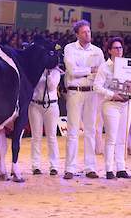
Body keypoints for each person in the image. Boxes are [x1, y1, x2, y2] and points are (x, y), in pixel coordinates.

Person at [63, 20, 104, 179]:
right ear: (77, 34)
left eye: (89, 31)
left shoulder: (98, 51)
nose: (88, 34)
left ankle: (90, 167)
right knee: (72, 130)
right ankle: (70, 168)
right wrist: (90, 70)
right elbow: (72, 71)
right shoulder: (70, 48)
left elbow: (100, 73)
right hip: (75, 92)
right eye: (84, 32)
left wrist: (85, 71)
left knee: (90, 131)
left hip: (92, 93)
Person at [93, 37, 130, 179]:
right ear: (109, 51)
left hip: (125, 104)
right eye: (115, 48)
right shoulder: (104, 66)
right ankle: (109, 169)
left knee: (122, 138)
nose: (119, 50)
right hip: (111, 104)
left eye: (120, 48)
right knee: (111, 137)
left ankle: (120, 168)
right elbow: (97, 86)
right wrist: (112, 94)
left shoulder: (127, 65)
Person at [28, 68, 61, 176]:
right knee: (36, 136)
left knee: (51, 136)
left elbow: (51, 86)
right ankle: (35, 166)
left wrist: (49, 73)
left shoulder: (56, 72)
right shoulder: (34, 69)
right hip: (35, 104)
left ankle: (54, 166)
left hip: (51, 105)